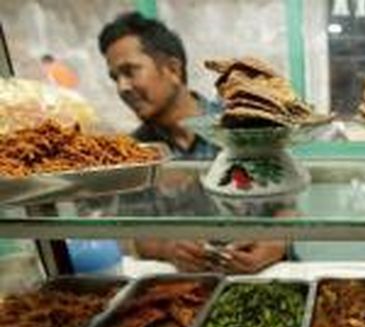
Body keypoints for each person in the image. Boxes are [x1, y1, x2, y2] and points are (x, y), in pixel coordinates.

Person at [98, 12, 289, 273]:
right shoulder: (135, 153)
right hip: (190, 285)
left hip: (261, 276)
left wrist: (274, 243)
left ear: (174, 69)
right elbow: (124, 232)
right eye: (114, 78)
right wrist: (166, 247)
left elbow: (287, 208)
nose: (122, 87)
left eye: (130, 71)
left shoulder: (242, 128)